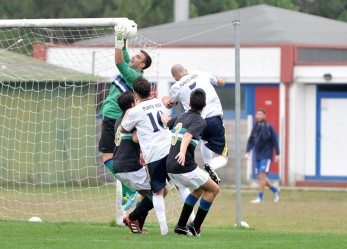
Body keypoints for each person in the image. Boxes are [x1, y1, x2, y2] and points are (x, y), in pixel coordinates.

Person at [98, 21, 152, 209]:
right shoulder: (135, 71)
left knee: (107, 158)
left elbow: (119, 60)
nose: (133, 57)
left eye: (138, 57)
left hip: (113, 116)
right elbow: (124, 54)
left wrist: (119, 38)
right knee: (116, 159)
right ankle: (131, 189)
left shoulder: (134, 76)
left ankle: (130, 190)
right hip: (118, 118)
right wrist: (122, 37)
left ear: (142, 65)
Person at [163, 88, 219, 236]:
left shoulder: (180, 116)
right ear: (205, 104)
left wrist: (164, 107)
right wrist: (182, 152)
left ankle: (181, 225)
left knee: (199, 189)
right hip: (183, 166)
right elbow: (187, 135)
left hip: (170, 166)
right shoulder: (200, 121)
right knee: (214, 189)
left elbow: (166, 123)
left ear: (189, 103)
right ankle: (195, 226)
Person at [119, 77, 172, 235]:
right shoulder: (157, 102)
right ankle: (191, 223)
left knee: (158, 191)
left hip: (153, 155)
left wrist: (136, 125)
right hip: (169, 147)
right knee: (175, 186)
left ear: (136, 93)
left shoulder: (135, 111)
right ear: (150, 90)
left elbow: (123, 129)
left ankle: (159, 227)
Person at [162, 64, 228, 184]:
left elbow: (170, 104)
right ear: (186, 70)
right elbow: (222, 82)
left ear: (175, 78)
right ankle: (210, 167)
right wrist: (216, 77)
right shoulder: (201, 73)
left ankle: (208, 169)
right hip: (214, 118)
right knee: (223, 156)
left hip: (195, 122)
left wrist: (164, 100)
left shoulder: (176, 86)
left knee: (204, 140)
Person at [112, 91, 153, 233]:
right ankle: (132, 218)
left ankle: (137, 226)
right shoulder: (132, 117)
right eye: (136, 101)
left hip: (118, 166)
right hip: (129, 166)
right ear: (132, 104)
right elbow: (135, 138)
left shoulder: (119, 119)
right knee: (159, 190)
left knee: (146, 193)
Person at [245, 108, 280, 204]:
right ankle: (275, 190)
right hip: (258, 155)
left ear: (264, 116)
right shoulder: (255, 127)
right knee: (261, 177)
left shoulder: (269, 127)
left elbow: (275, 140)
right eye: (257, 114)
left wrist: (277, 153)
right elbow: (251, 140)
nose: (259, 116)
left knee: (262, 174)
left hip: (267, 154)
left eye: (261, 114)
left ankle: (260, 197)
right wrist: (247, 152)